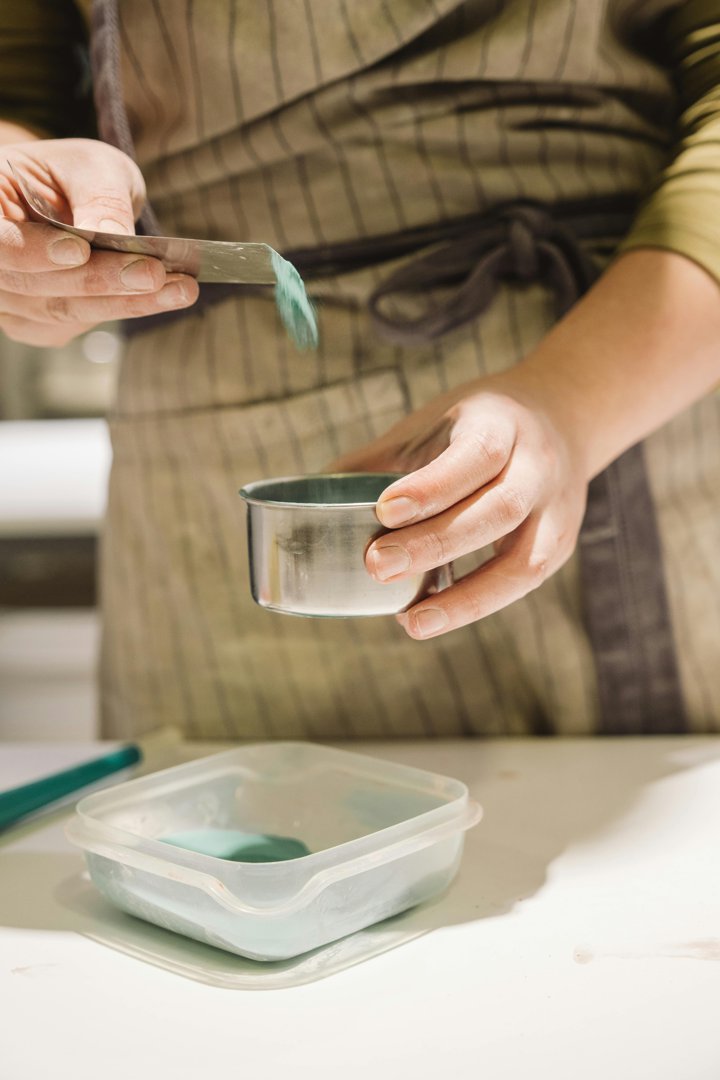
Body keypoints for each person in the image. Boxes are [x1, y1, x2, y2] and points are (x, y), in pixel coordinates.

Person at [1, 0, 719, 739]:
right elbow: (17, 89)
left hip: (629, 377)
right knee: (232, 836)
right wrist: (19, 199)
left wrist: (572, 405)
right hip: (203, 461)